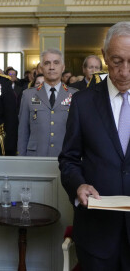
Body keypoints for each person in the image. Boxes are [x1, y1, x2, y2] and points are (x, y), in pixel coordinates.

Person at [59, 21, 130, 271]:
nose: (124, 72)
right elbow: (68, 160)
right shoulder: (83, 102)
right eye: (117, 61)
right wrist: (78, 184)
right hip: (97, 234)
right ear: (104, 57)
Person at [18, 48, 77, 156]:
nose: (52, 67)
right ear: (41, 68)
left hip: (65, 158)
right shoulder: (28, 95)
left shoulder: (74, 95)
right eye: (47, 63)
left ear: (63, 67)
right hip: (35, 158)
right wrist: (22, 161)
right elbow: (23, 132)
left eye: (56, 63)